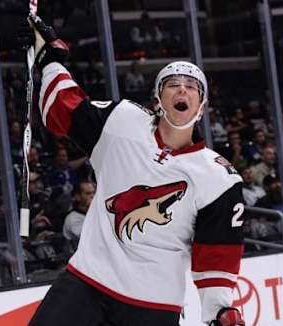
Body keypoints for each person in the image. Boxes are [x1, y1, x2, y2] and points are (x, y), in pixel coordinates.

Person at [22, 15, 245, 326]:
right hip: (87, 282)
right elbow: (64, 107)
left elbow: (216, 254)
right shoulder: (122, 122)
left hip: (153, 304)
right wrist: (50, 59)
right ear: (157, 99)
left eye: (191, 87)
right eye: (172, 85)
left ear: (202, 106)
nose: (182, 91)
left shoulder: (219, 177)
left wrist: (219, 311)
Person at [62, 180, 95, 251]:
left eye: (94, 193)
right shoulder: (73, 218)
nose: (93, 196)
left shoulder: (95, 213)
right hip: (79, 257)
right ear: (78, 197)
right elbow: (90, 237)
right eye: (88, 193)